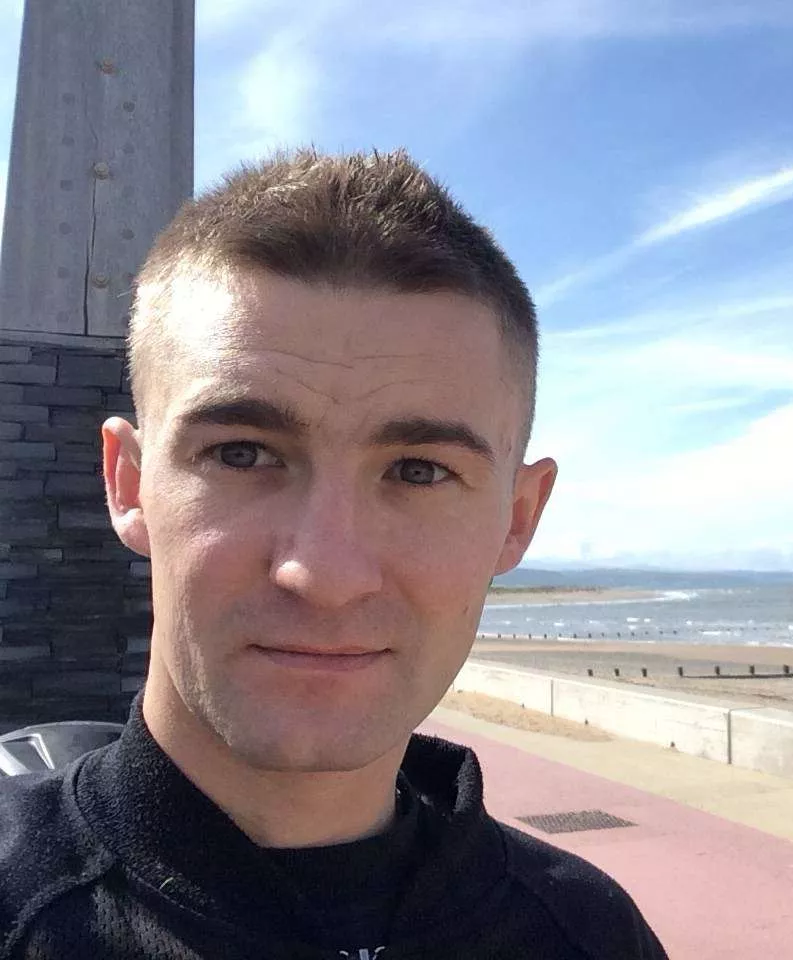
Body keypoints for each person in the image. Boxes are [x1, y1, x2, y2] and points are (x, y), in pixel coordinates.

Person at [0, 148, 667, 959]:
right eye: (242, 454)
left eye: (419, 471)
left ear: (517, 519)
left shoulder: (593, 936)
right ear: (130, 484)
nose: (325, 575)